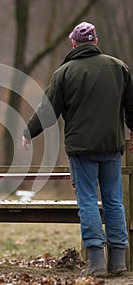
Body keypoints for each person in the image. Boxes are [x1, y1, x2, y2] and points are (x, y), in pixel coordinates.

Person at [22, 21, 133, 277]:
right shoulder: (119, 68)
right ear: (95, 41)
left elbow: (48, 112)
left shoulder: (64, 72)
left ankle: (96, 263)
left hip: (82, 149)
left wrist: (29, 131)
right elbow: (132, 107)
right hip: (112, 147)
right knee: (115, 201)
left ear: (73, 43)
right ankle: (118, 261)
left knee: (88, 202)